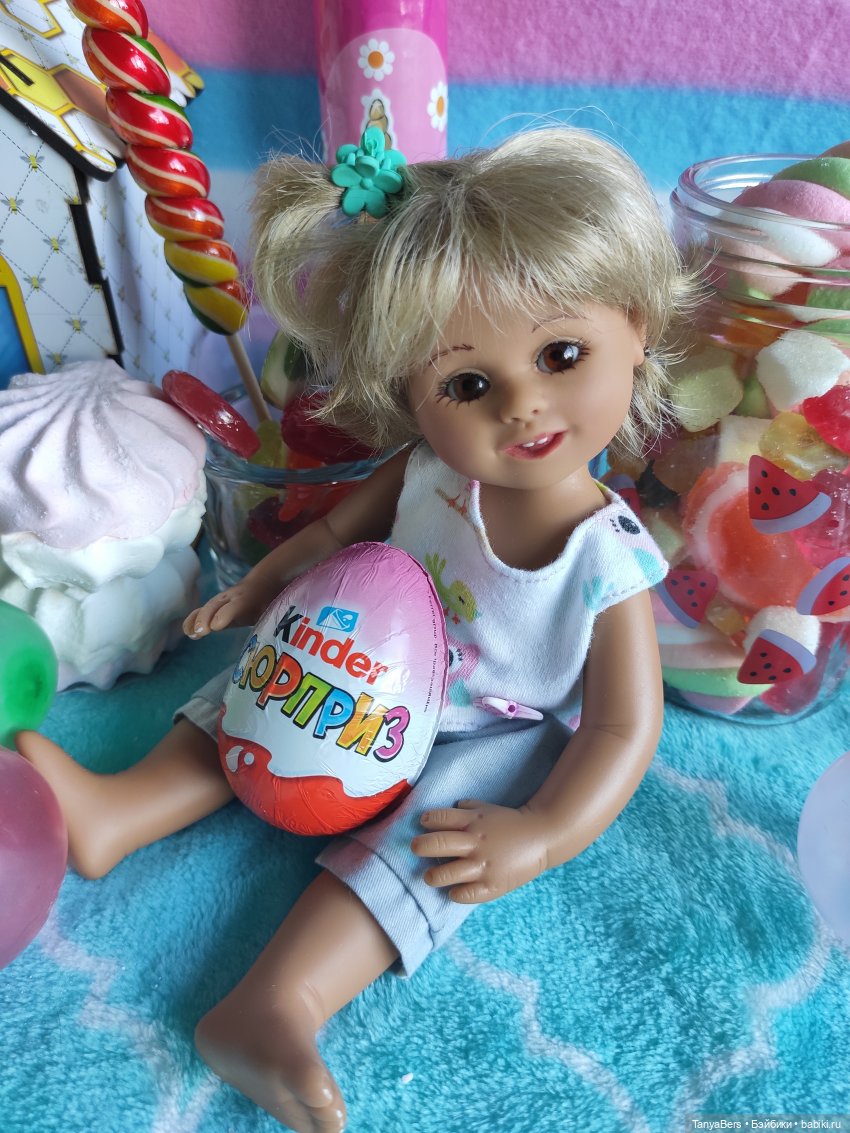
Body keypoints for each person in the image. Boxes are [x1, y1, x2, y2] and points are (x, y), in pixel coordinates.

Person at [18, 126, 696, 1133]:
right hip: (359, 664)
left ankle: (277, 1001)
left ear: (635, 328)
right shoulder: (428, 469)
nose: (522, 405)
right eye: (466, 384)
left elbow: (620, 727)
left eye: (562, 354)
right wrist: (262, 590)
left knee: (436, 841)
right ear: (413, 393)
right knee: (260, 683)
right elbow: (336, 532)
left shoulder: (606, 560)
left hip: (484, 727)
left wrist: (545, 831)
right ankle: (120, 808)